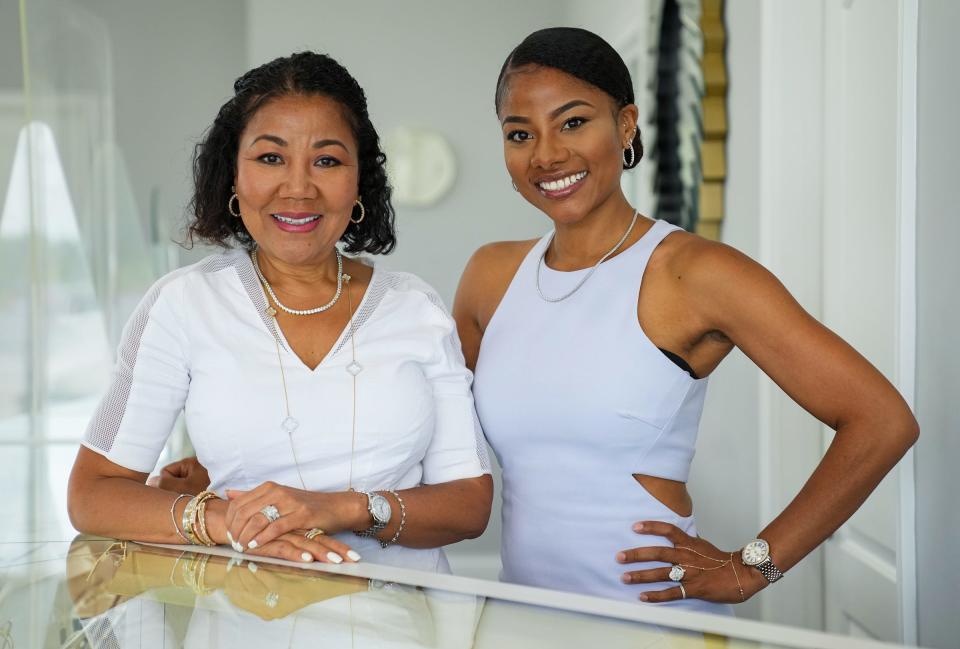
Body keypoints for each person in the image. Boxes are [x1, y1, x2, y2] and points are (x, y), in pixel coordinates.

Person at [452, 27, 917, 613]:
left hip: (650, 617)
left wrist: (753, 568)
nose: (546, 155)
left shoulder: (696, 273)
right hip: (522, 616)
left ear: (625, 126)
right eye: (520, 134)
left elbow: (882, 420)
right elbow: (438, 442)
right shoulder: (490, 276)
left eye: (573, 122)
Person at [67, 51, 493, 572]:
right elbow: (92, 494)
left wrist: (339, 508)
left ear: (359, 182)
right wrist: (232, 522)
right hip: (243, 618)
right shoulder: (182, 305)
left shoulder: (415, 308)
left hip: (403, 621)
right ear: (233, 176)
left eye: (327, 160)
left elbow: (470, 503)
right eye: (271, 158)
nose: (298, 188)